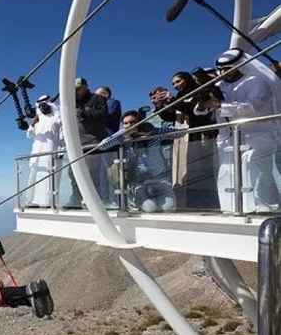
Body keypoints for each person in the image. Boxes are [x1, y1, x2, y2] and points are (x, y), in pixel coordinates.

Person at [197, 48, 280, 213]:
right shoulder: (217, 85)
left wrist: (221, 105)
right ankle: (231, 208)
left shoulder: (257, 82)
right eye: (222, 69)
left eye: (228, 68)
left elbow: (253, 107)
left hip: (257, 135)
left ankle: (265, 207)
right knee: (227, 173)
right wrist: (203, 103)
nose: (224, 72)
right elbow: (199, 111)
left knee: (254, 171)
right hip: (228, 138)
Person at [159, 72, 220, 211]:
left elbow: (193, 110)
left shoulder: (198, 90)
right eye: (173, 83)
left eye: (178, 81)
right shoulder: (180, 96)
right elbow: (170, 117)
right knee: (185, 171)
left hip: (200, 135)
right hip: (184, 137)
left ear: (186, 79)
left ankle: (207, 203)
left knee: (201, 169)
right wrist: (162, 105)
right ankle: (188, 203)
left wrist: (174, 102)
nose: (175, 85)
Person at [106, 111, 177, 213]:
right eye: (125, 123)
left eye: (132, 122)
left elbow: (180, 133)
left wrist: (152, 132)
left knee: (168, 209)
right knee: (150, 208)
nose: (129, 125)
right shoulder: (125, 140)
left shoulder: (153, 136)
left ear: (140, 122)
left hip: (160, 180)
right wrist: (122, 133)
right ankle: (136, 202)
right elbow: (103, 145)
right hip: (139, 184)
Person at [66, 77, 109, 208]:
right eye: (74, 89)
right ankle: (76, 199)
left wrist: (85, 112)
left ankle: (96, 201)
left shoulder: (97, 99)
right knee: (73, 173)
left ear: (85, 87)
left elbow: (102, 115)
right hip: (76, 144)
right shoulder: (72, 101)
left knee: (92, 173)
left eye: (79, 89)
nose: (76, 92)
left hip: (92, 141)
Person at [26, 95, 62, 208]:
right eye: (40, 105)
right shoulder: (38, 119)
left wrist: (61, 151)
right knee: (34, 177)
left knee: (50, 179)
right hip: (37, 154)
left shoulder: (57, 117)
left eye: (44, 104)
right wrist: (32, 123)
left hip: (51, 152)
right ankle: (30, 201)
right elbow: (29, 135)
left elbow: (63, 136)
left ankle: (49, 203)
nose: (42, 107)